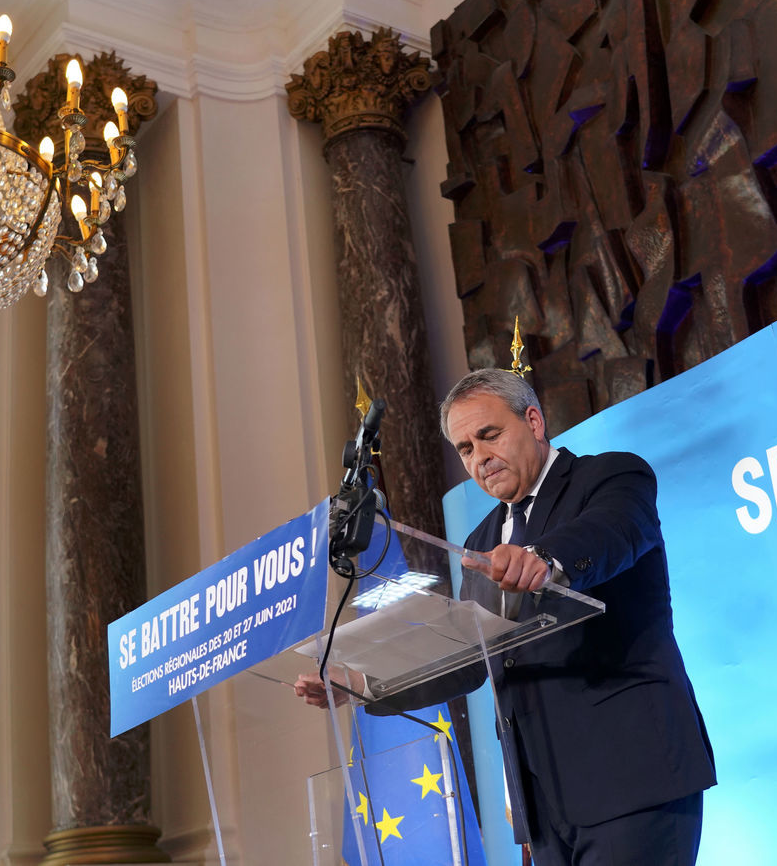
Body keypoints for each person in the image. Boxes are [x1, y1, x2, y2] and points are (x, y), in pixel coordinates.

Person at [298, 368, 715, 865]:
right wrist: (365, 685)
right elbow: (469, 660)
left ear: (533, 421)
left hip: (632, 779)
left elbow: (613, 530)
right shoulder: (479, 542)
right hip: (543, 802)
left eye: (489, 435)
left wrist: (544, 559)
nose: (479, 457)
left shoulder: (610, 476)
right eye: (465, 448)